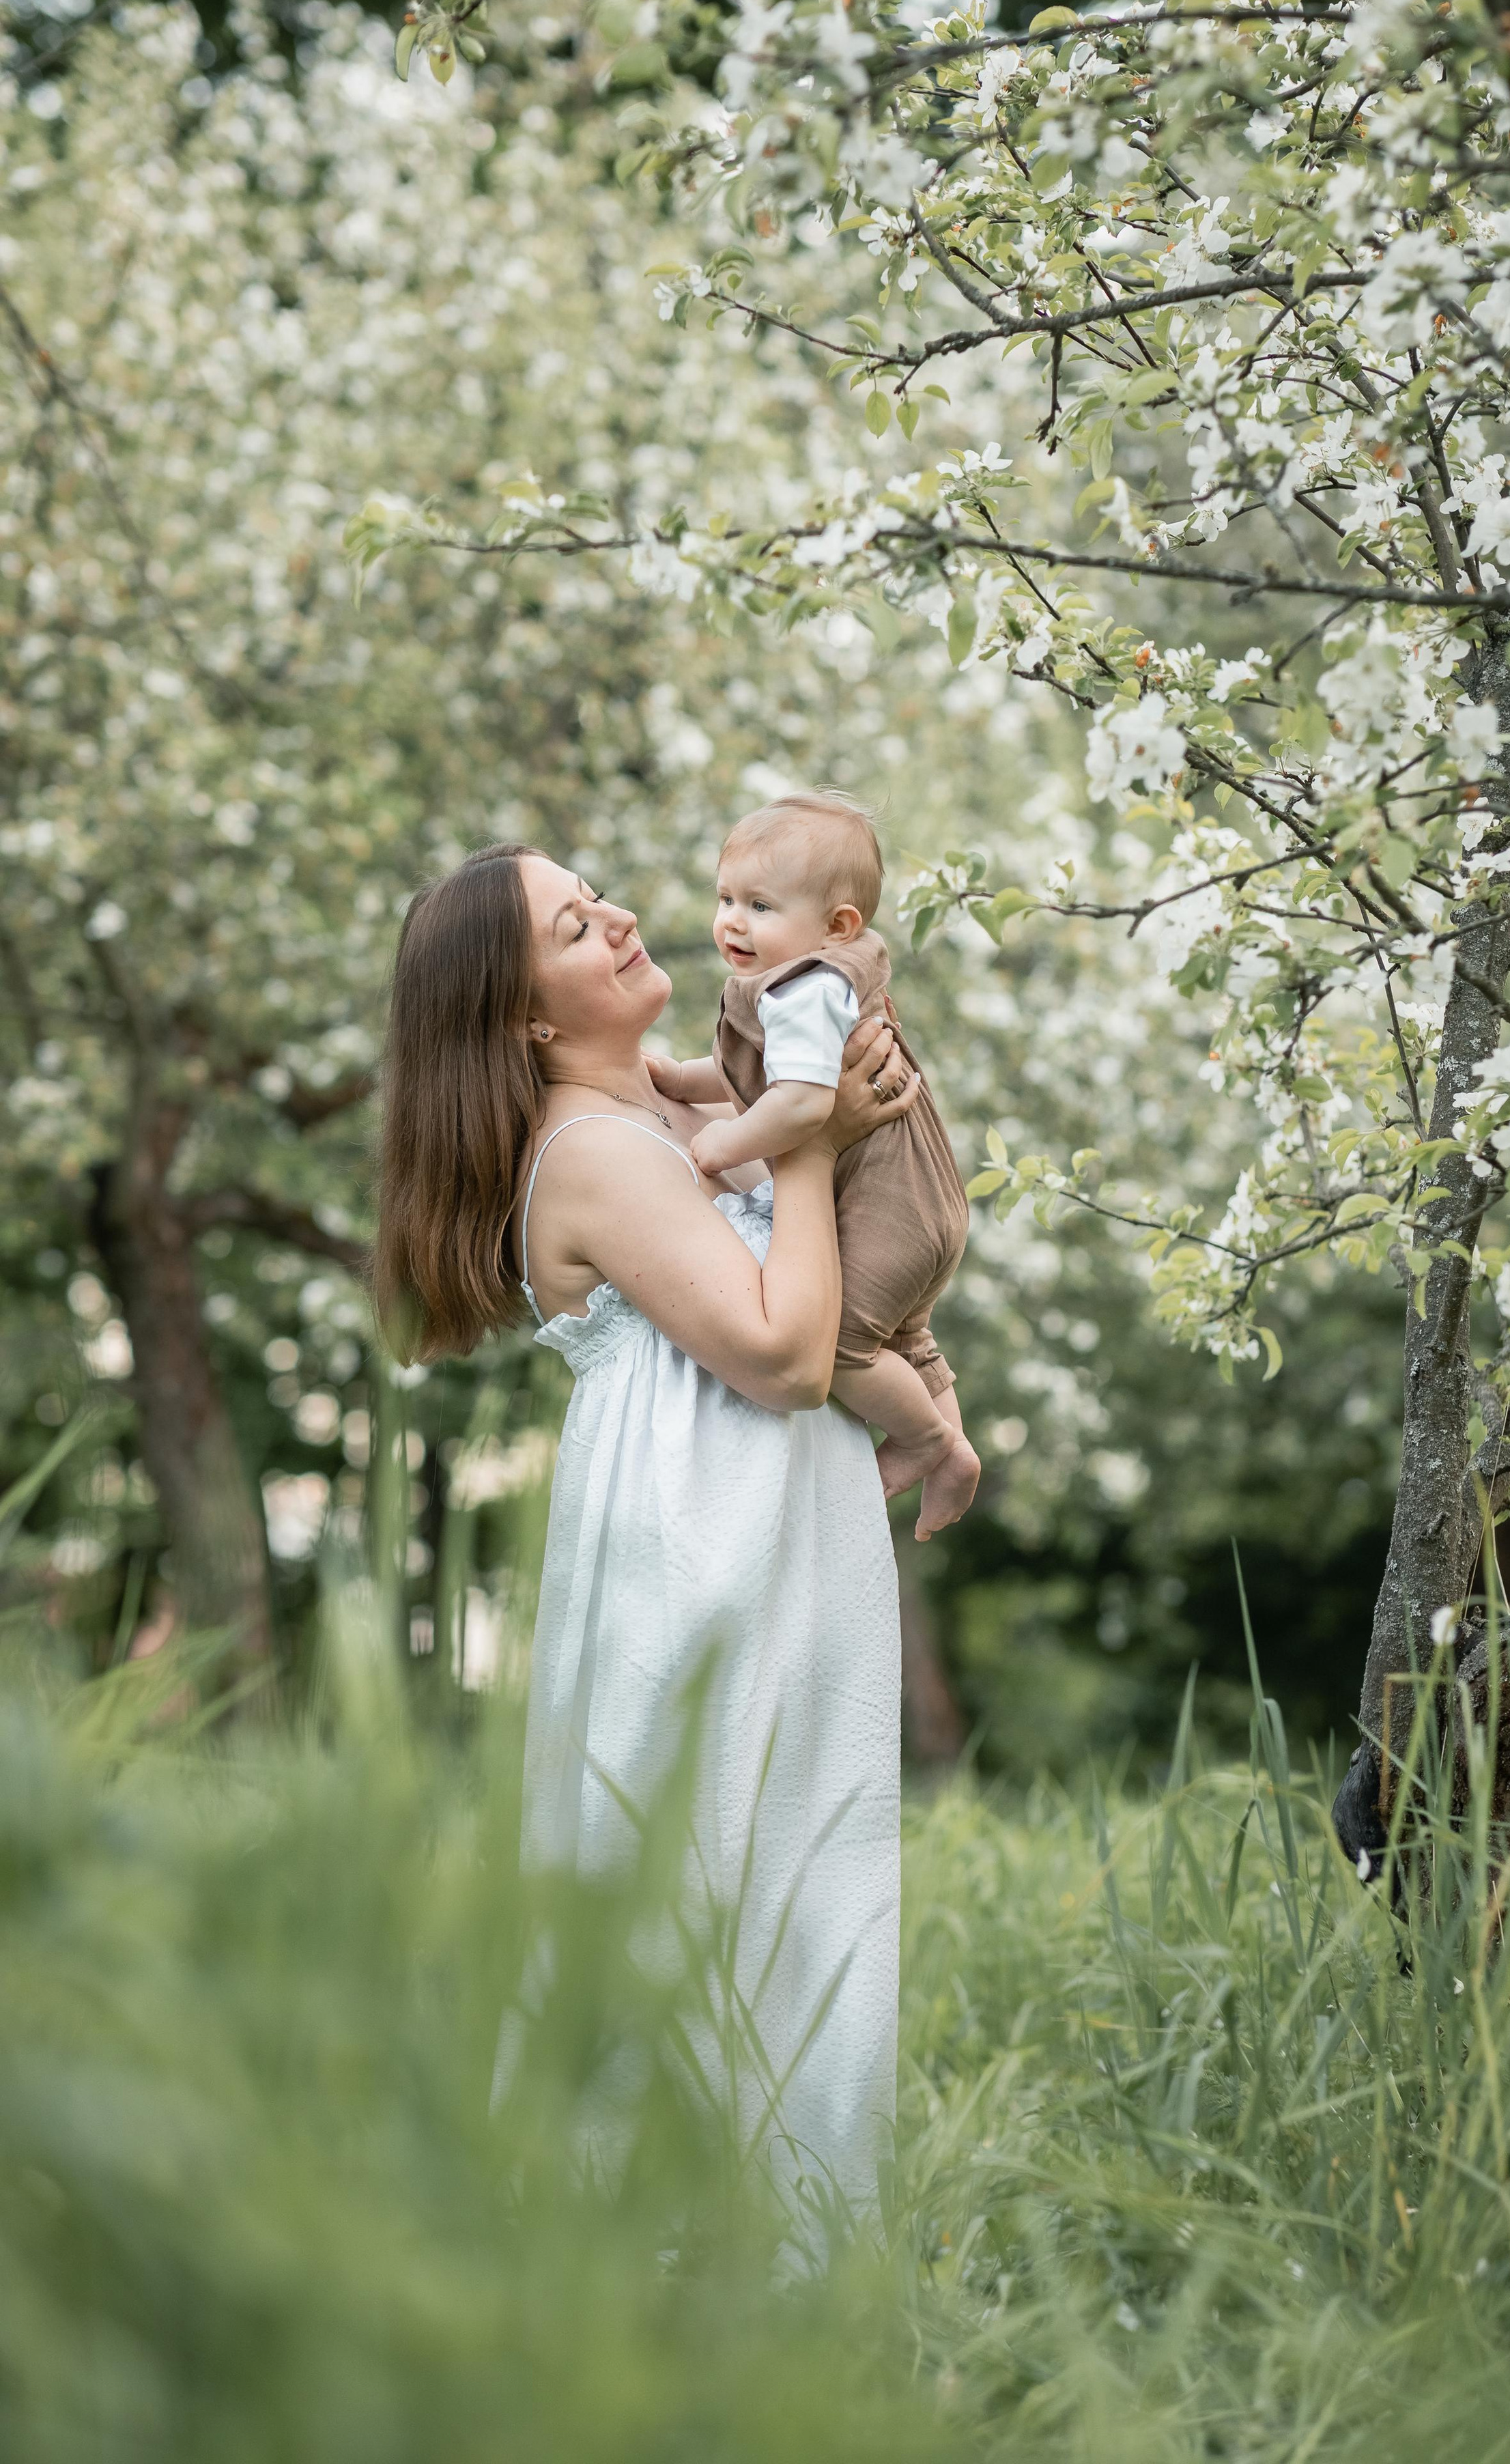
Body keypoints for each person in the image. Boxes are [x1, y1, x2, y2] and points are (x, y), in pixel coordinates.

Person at [374, 840, 920, 2236]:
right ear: (526, 1020)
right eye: (573, 925)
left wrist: (793, 1119)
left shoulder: (666, 1120)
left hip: (766, 1539)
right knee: (701, 1895)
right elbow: (784, 1355)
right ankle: (664, 2283)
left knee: (791, 1893)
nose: (616, 917)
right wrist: (813, 1143)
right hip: (700, 1558)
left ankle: (790, 2286)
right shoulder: (595, 1156)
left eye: (596, 894)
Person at [646, 791, 980, 1542]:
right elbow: (755, 1079)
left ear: (838, 927)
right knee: (906, 1336)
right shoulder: (815, 983)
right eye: (726, 897)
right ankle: (955, 1453)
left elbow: (797, 1106)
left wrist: (719, 1147)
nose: (732, 920)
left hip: (887, 1201)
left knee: (840, 1343)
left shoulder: (802, 989)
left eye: (761, 905)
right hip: (920, 1200)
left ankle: (926, 1440)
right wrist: (678, 1078)